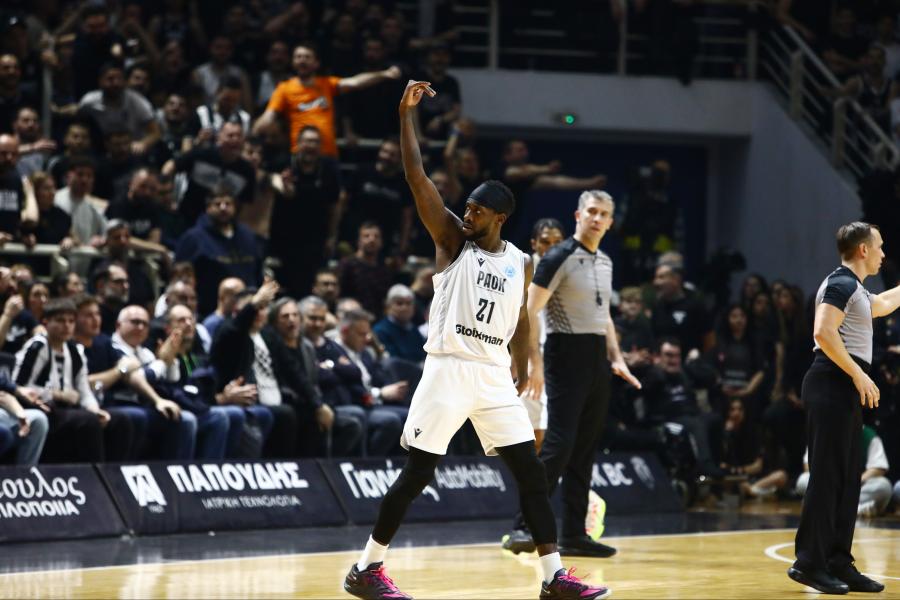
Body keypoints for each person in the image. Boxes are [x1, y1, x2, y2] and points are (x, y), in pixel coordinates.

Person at [343, 80, 610, 600]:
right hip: (447, 368)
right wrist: (405, 116)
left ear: (499, 218)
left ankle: (553, 577)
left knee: (531, 474)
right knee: (418, 474)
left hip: (491, 377)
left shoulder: (520, 261)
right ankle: (365, 569)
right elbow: (417, 177)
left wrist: (523, 362)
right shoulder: (450, 240)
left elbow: (522, 319)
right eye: (465, 207)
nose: (467, 215)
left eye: (477, 212)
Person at [503, 190, 641, 559]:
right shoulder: (558, 256)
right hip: (563, 352)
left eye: (604, 214)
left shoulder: (606, 261)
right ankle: (522, 525)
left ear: (610, 222)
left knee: (585, 447)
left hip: (595, 356)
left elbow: (603, 315)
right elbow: (529, 310)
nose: (597, 218)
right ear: (578, 215)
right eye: (591, 211)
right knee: (559, 444)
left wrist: (617, 357)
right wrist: (533, 363)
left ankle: (575, 534)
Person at [789, 222, 896, 595]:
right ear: (864, 249)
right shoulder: (841, 284)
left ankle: (837, 560)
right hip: (831, 382)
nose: (883, 254)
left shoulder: (858, 290)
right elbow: (823, 332)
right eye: (880, 246)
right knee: (827, 477)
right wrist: (858, 374)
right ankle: (808, 563)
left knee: (848, 478)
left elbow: (882, 305)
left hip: (843, 385)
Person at [252, 43, 401, 157]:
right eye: (298, 57)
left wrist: (384, 74)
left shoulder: (327, 84)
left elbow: (355, 82)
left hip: (327, 154)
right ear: (293, 62)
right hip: (300, 154)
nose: (302, 60)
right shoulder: (284, 88)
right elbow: (269, 116)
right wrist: (251, 135)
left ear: (316, 63)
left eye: (307, 57)